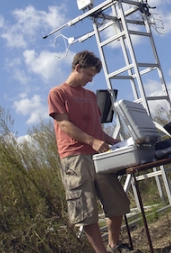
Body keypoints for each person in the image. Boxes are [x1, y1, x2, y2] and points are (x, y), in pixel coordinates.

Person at [48, 50, 139, 253]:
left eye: (93, 77)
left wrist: (121, 145)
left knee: (117, 202)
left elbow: (98, 131)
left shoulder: (90, 96)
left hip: (100, 156)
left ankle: (114, 245)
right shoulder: (58, 93)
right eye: (88, 75)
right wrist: (92, 141)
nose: (90, 81)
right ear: (77, 68)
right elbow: (64, 125)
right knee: (85, 211)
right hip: (75, 157)